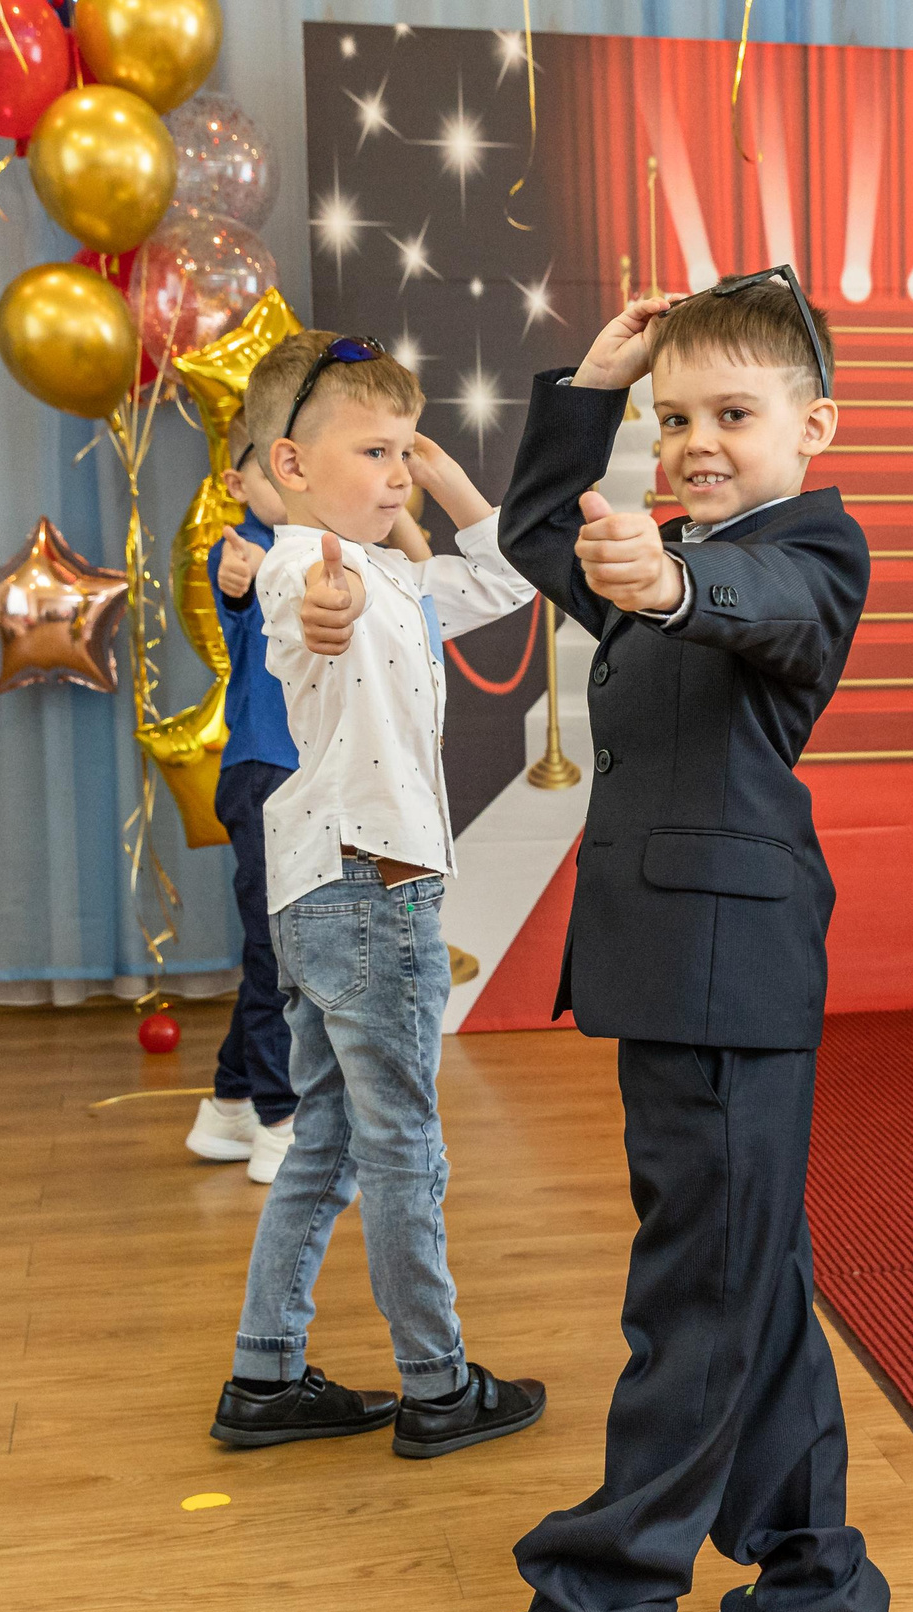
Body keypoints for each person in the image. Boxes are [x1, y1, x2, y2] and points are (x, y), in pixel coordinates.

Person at [476, 269, 891, 1612]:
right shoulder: (662, 549)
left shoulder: (805, 549)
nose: (697, 438)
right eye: (673, 417)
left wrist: (677, 578)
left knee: (697, 1300)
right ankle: (813, 1584)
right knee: (750, 1274)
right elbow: (540, 531)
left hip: (729, 975)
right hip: (688, 971)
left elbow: (768, 603)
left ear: (814, 424)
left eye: (733, 412)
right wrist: (590, 386)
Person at [205, 329, 547, 1461]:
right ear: (290, 467)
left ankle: (264, 1373)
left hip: (327, 896)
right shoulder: (313, 566)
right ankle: (438, 1384)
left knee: (331, 1145)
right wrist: (316, 613)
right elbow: (307, 609)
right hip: (370, 894)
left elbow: (502, 576)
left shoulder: (398, 573)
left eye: (406, 451)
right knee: (407, 1147)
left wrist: (439, 472)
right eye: (375, 452)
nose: (396, 475)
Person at [183, 410, 301, 1183]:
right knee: (278, 952)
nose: (287, 483)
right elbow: (236, 590)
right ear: (237, 482)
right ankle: (279, 1119)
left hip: (294, 774)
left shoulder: (314, 545)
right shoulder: (248, 554)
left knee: (279, 946)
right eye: (271, 470)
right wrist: (237, 581)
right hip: (264, 773)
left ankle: (228, 1105)